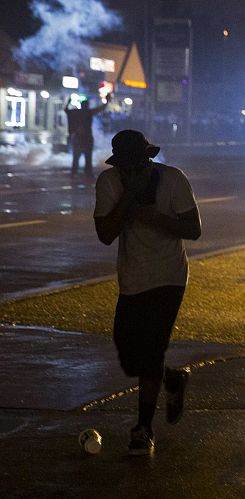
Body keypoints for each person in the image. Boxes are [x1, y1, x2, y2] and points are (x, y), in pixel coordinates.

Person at [94, 129, 201, 455]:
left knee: (152, 349)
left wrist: (150, 217)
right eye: (126, 168)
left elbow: (193, 229)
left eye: (138, 166)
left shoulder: (173, 179)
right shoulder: (110, 183)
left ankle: (143, 428)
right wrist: (129, 200)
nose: (132, 172)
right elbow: (105, 235)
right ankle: (171, 378)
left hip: (169, 276)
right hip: (132, 278)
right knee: (129, 354)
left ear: (148, 160)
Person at [64, 96, 109, 178]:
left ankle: (75, 172)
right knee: (86, 158)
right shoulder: (88, 112)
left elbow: (66, 110)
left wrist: (68, 102)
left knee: (77, 158)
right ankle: (86, 173)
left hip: (79, 138)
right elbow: (101, 108)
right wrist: (107, 100)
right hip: (86, 138)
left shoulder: (77, 112)